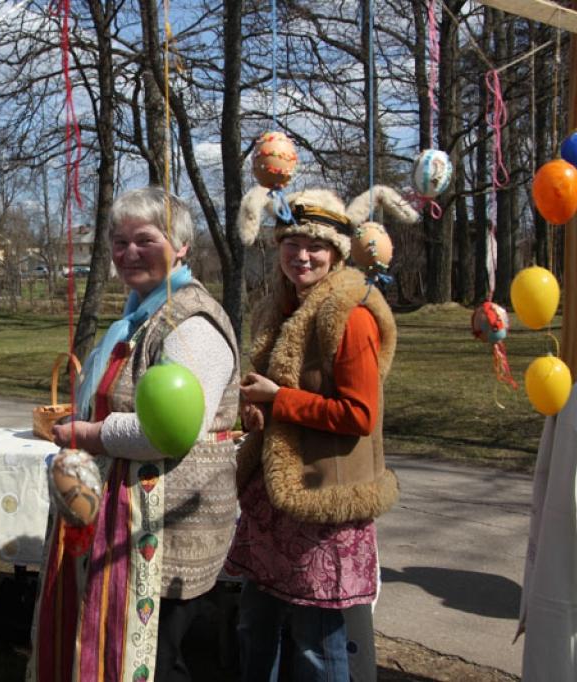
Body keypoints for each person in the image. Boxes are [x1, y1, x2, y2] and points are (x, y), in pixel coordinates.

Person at [28, 186, 241, 682]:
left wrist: (91, 434)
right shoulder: (138, 315)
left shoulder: (192, 323)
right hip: (131, 520)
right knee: (129, 652)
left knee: (158, 659)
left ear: (182, 245)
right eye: (119, 242)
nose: (128, 253)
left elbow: (169, 432)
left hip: (170, 528)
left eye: (144, 239)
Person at [226, 185, 408, 681]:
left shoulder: (349, 316)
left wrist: (277, 400)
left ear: (337, 253)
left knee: (314, 645)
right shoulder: (280, 306)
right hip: (276, 502)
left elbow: (359, 415)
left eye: (316, 246)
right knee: (254, 628)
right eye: (292, 242)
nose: (302, 255)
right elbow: (273, 390)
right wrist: (257, 414)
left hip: (322, 503)